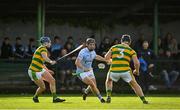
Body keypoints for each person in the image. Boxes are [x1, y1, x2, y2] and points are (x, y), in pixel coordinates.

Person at [105, 34, 148, 104]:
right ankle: (143, 100)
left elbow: (106, 58)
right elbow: (137, 63)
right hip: (126, 71)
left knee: (109, 80)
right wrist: (137, 71)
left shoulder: (114, 47)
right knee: (134, 84)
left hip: (114, 70)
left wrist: (111, 60)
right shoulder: (131, 50)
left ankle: (108, 96)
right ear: (130, 42)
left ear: (121, 41)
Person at [28, 36, 65, 103]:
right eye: (49, 42)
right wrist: (51, 61)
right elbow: (45, 58)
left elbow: (42, 63)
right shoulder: (43, 49)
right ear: (45, 43)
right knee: (43, 88)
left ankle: (55, 98)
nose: (50, 43)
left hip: (40, 69)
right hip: (34, 71)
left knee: (52, 80)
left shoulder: (43, 49)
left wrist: (47, 70)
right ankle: (35, 97)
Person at [75, 38, 108, 103]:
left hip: (90, 70)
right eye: (91, 45)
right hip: (81, 71)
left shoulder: (93, 51)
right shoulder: (82, 52)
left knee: (93, 85)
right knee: (92, 84)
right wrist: (84, 69)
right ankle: (101, 99)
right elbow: (77, 62)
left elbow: (96, 56)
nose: (93, 46)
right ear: (87, 45)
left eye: (93, 44)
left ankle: (85, 92)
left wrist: (106, 60)